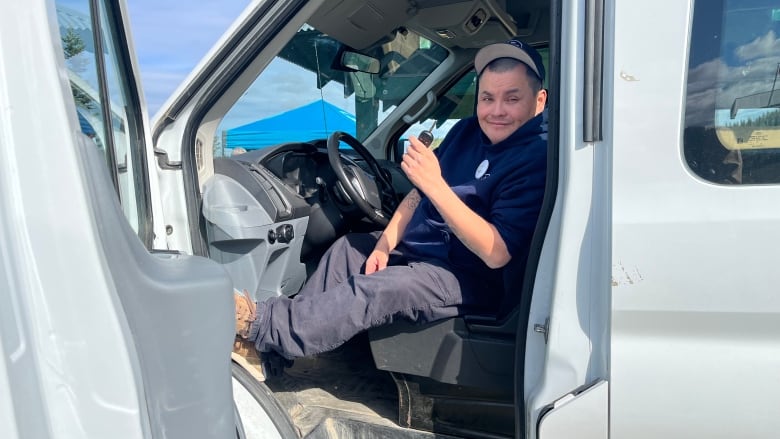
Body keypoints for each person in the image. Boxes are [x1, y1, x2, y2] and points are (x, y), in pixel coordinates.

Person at [233, 38, 548, 380]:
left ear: (539, 100)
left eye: (512, 98)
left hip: (468, 274)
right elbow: (416, 195)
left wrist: (436, 186)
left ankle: (259, 323)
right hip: (422, 251)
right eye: (487, 98)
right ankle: (271, 357)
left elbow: (496, 253)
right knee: (348, 250)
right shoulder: (466, 131)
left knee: (381, 288)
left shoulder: (536, 158)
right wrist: (385, 243)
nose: (496, 110)